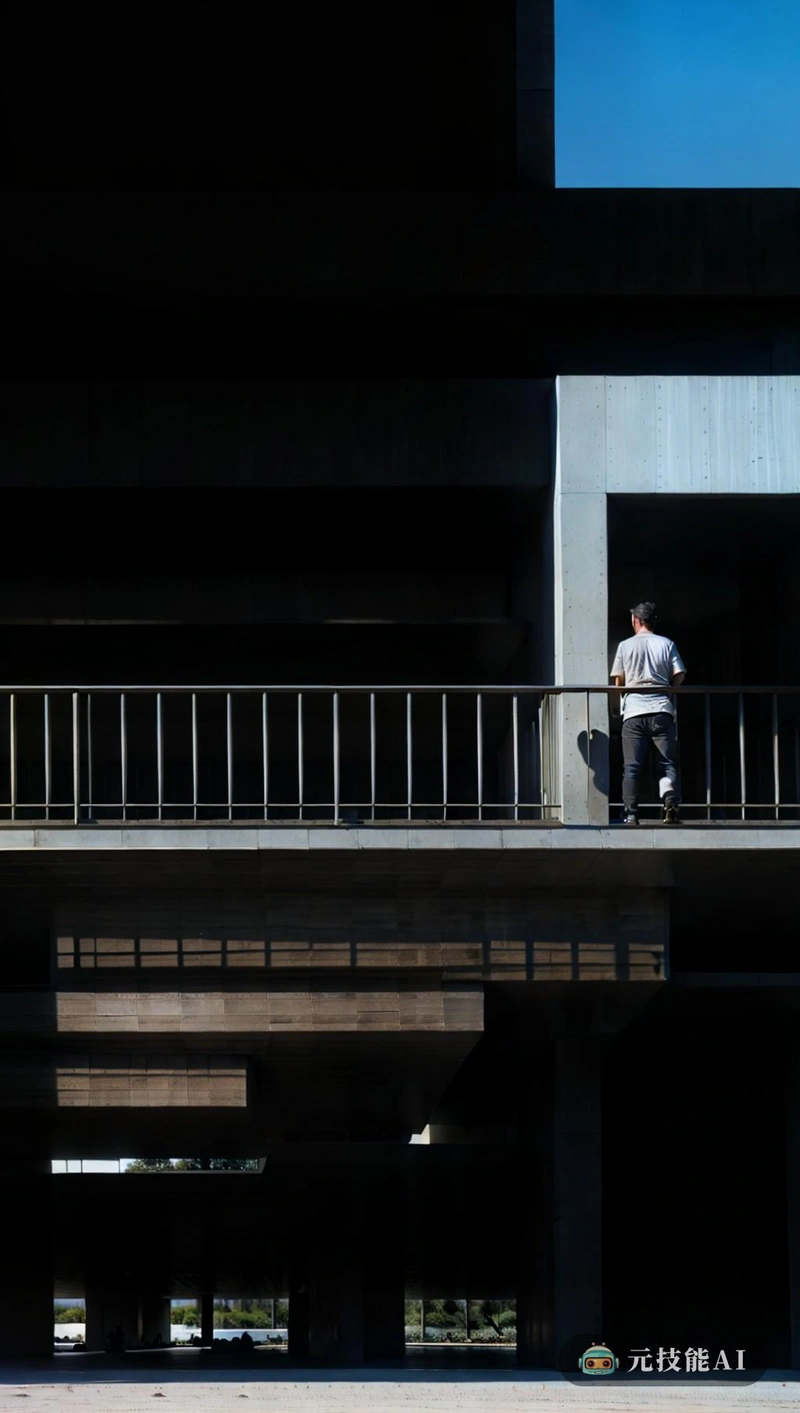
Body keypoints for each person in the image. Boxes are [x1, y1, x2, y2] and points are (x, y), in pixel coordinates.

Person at [610, 602, 686, 825]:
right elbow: (679, 673)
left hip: (634, 711)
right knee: (667, 763)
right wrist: (669, 688)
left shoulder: (625, 646)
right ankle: (670, 802)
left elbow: (618, 680)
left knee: (632, 766)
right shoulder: (666, 643)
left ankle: (631, 814)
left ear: (636, 620)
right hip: (661, 709)